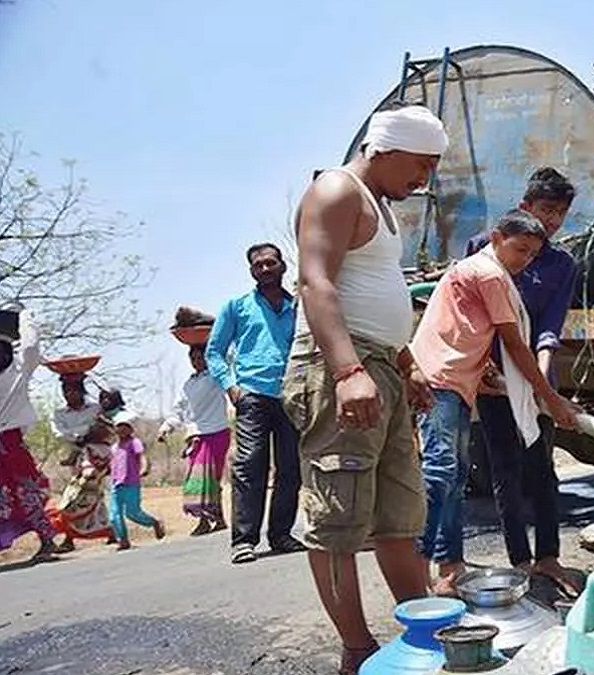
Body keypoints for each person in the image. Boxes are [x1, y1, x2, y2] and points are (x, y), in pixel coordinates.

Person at [283, 104, 444, 675]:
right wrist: (349, 371)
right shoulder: (337, 189)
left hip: (379, 368)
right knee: (338, 516)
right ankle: (357, 649)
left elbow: (373, 290)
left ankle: (426, 633)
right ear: (384, 149)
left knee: (400, 514)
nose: (424, 178)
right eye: (420, 164)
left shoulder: (381, 205)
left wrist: (406, 365)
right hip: (339, 369)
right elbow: (315, 280)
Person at [412, 208, 579, 597]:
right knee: (439, 476)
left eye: (532, 255)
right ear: (497, 237)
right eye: (519, 249)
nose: (525, 261)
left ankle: (449, 566)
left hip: (453, 380)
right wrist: (551, 398)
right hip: (442, 380)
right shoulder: (490, 274)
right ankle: (417, 574)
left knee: (452, 479)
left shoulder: (479, 270)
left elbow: (470, 329)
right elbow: (516, 345)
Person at [464, 167, 580, 593]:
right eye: (547, 210)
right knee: (504, 469)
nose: (552, 221)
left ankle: (549, 558)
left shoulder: (563, 264)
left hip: (532, 377)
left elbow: (550, 326)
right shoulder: (483, 248)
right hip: (492, 379)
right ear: (525, 206)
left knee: (541, 468)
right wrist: (485, 372)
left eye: (561, 214)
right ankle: (519, 561)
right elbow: (471, 317)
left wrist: (540, 381)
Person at [207, 242, 303, 564]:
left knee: (290, 468)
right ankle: (244, 540)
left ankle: (281, 535)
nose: (264, 268)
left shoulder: (298, 308)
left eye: (270, 263)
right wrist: (231, 387)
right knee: (249, 466)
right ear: (251, 270)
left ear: (283, 266)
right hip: (252, 395)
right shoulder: (237, 306)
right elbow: (214, 352)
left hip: (290, 395)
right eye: (258, 265)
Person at [0, 306, 58, 563]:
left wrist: (25, 316)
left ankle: (47, 538)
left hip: (11, 443)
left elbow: (31, 349)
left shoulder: (18, 373)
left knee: (26, 493)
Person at [158, 344, 231, 536]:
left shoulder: (216, 377)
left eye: (201, 358)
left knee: (212, 479)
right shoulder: (188, 385)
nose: (197, 362)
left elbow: (227, 366)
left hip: (217, 432)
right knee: (197, 479)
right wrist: (166, 427)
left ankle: (215, 519)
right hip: (196, 436)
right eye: (194, 359)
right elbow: (178, 411)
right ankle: (207, 519)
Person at [46, 374, 114, 551]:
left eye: (73, 391)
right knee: (92, 496)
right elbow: (59, 432)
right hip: (76, 457)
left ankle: (70, 537)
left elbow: (105, 427)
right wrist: (82, 433)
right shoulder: (59, 413)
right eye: (66, 391)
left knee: (75, 495)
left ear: (81, 391)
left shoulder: (95, 408)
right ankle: (109, 532)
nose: (69, 395)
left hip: (96, 458)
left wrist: (83, 433)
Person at [107, 410, 165, 551]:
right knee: (114, 515)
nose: (122, 429)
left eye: (125, 426)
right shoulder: (114, 448)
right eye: (119, 426)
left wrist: (144, 468)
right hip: (116, 484)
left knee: (132, 513)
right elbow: (112, 464)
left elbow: (142, 456)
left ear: (130, 428)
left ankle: (154, 523)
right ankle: (123, 540)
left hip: (131, 483)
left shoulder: (134, 442)